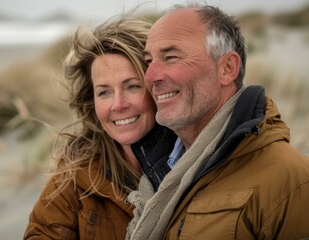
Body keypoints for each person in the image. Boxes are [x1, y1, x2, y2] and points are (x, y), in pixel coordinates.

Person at [126, 3, 309, 240]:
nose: (150, 76)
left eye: (170, 57)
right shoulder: (153, 169)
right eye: (149, 61)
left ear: (227, 68)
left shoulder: (292, 181)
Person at [23, 16, 172, 239]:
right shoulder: (76, 177)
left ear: (157, 88)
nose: (118, 104)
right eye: (104, 92)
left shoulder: (197, 156)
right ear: (91, 101)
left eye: (132, 86)